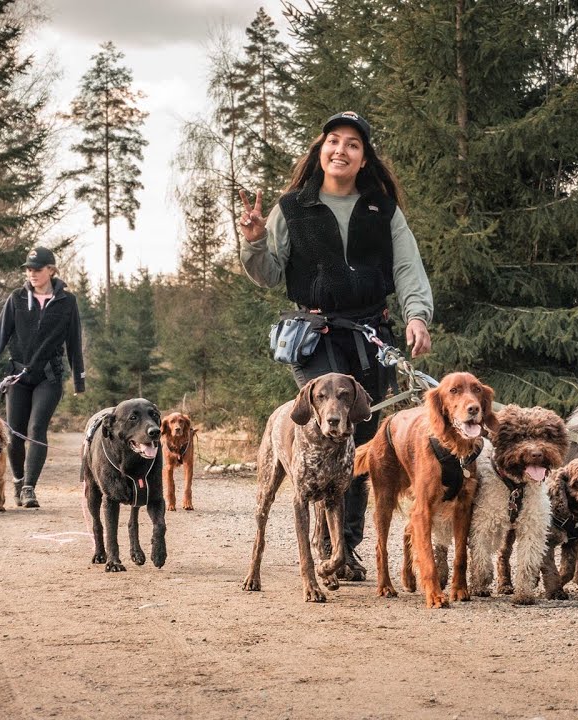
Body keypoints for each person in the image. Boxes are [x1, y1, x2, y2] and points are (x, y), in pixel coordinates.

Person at [238, 110, 434, 580]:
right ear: (320, 150)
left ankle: (344, 548)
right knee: (324, 425)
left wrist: (417, 316)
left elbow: (408, 268)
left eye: (352, 144)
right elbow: (269, 274)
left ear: (364, 159)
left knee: (360, 441)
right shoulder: (292, 208)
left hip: (369, 335)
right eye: (333, 141)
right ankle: (326, 546)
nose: (340, 149)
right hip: (315, 334)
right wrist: (255, 241)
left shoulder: (382, 210)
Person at [0, 246, 85, 509]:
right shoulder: (16, 298)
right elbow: (0, 333)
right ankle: (18, 480)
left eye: (37, 269)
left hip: (49, 376)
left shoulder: (67, 302)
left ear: (51, 270)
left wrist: (78, 379)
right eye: (28, 269)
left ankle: (29, 488)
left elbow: (74, 341)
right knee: (15, 432)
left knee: (36, 429)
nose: (32, 274)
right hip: (17, 376)